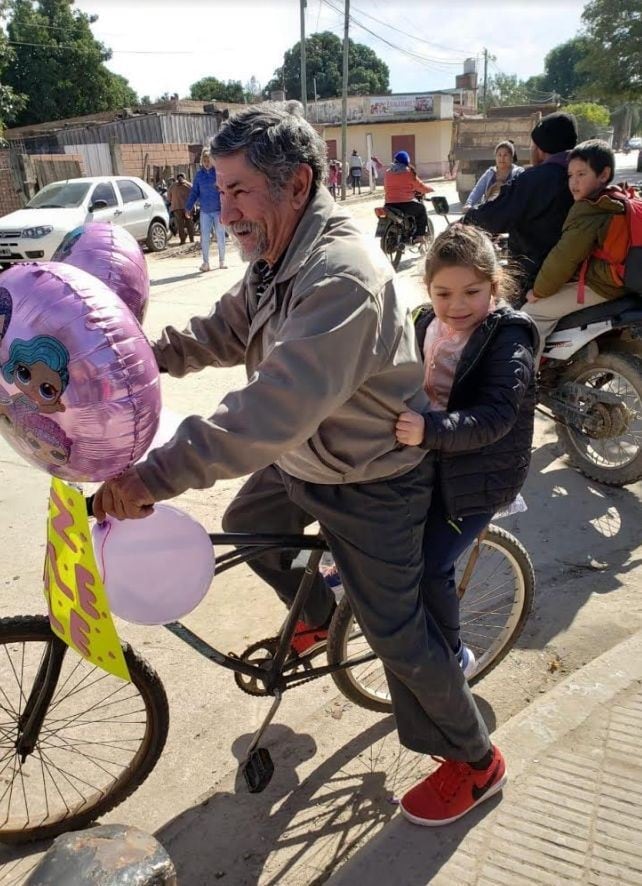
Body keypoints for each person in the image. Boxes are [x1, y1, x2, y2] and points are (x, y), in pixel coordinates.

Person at [93, 103, 506, 828]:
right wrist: (135, 361)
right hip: (306, 460)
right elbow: (222, 330)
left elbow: (266, 414)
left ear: (297, 184)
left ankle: (474, 760)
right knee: (249, 524)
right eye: (219, 190)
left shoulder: (338, 273)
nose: (227, 208)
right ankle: (317, 616)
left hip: (371, 479)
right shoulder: (276, 253)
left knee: (398, 635)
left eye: (241, 189)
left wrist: (149, 477)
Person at [395, 225, 537, 686]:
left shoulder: (508, 338)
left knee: (432, 563)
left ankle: (454, 657)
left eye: (472, 292)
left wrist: (429, 429)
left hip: (479, 478)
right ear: (427, 290)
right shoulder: (423, 322)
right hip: (429, 456)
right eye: (443, 293)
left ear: (494, 287)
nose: (457, 306)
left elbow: (496, 416)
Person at [524, 139, 626, 365]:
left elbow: (563, 259)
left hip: (603, 285)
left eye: (581, 174)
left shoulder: (590, 209)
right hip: (620, 282)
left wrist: (538, 292)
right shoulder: (617, 198)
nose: (574, 182)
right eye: (570, 176)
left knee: (530, 315)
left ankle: (523, 385)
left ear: (603, 174)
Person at [465, 112, 578, 296]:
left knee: (504, 313)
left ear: (540, 148)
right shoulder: (581, 174)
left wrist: (464, 223)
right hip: (571, 271)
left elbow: (495, 215)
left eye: (532, 144)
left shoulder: (534, 179)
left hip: (534, 274)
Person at [186, 148, 227, 272]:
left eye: (208, 160)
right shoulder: (199, 176)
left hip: (218, 210)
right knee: (204, 238)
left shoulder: (218, 173)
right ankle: (206, 263)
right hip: (205, 212)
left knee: (220, 236)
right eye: (204, 160)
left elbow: (225, 190)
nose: (206, 162)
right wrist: (188, 207)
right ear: (201, 162)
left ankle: (222, 261)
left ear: (212, 161)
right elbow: (194, 192)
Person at [383, 150, 432, 242]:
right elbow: (420, 186)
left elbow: (386, 187)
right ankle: (420, 236)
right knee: (421, 209)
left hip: (389, 204)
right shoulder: (409, 172)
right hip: (405, 205)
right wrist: (430, 189)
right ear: (407, 161)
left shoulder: (387, 172)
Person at [462, 141, 523, 211]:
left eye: (505, 155)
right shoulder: (490, 173)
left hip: (510, 212)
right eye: (499, 155)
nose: (502, 158)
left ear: (512, 157)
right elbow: (478, 189)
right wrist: (469, 204)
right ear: (495, 157)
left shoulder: (518, 172)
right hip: (489, 211)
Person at [167, 173, 195, 245]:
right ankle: (191, 239)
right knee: (189, 223)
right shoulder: (189, 185)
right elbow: (195, 195)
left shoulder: (172, 186)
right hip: (188, 208)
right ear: (185, 177)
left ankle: (182, 241)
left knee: (180, 225)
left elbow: (169, 198)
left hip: (177, 208)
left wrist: (172, 201)